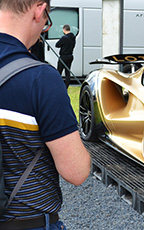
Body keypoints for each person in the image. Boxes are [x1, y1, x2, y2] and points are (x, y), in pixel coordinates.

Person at [0, 0, 91, 229]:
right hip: (26, 221)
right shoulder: (40, 79)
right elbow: (76, 172)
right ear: (39, 10)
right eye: (47, 22)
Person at [55, 24, 75, 88]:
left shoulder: (64, 38)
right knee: (67, 72)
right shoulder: (73, 37)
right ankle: (66, 86)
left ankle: (57, 85)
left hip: (63, 57)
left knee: (59, 72)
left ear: (64, 30)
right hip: (70, 56)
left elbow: (57, 45)